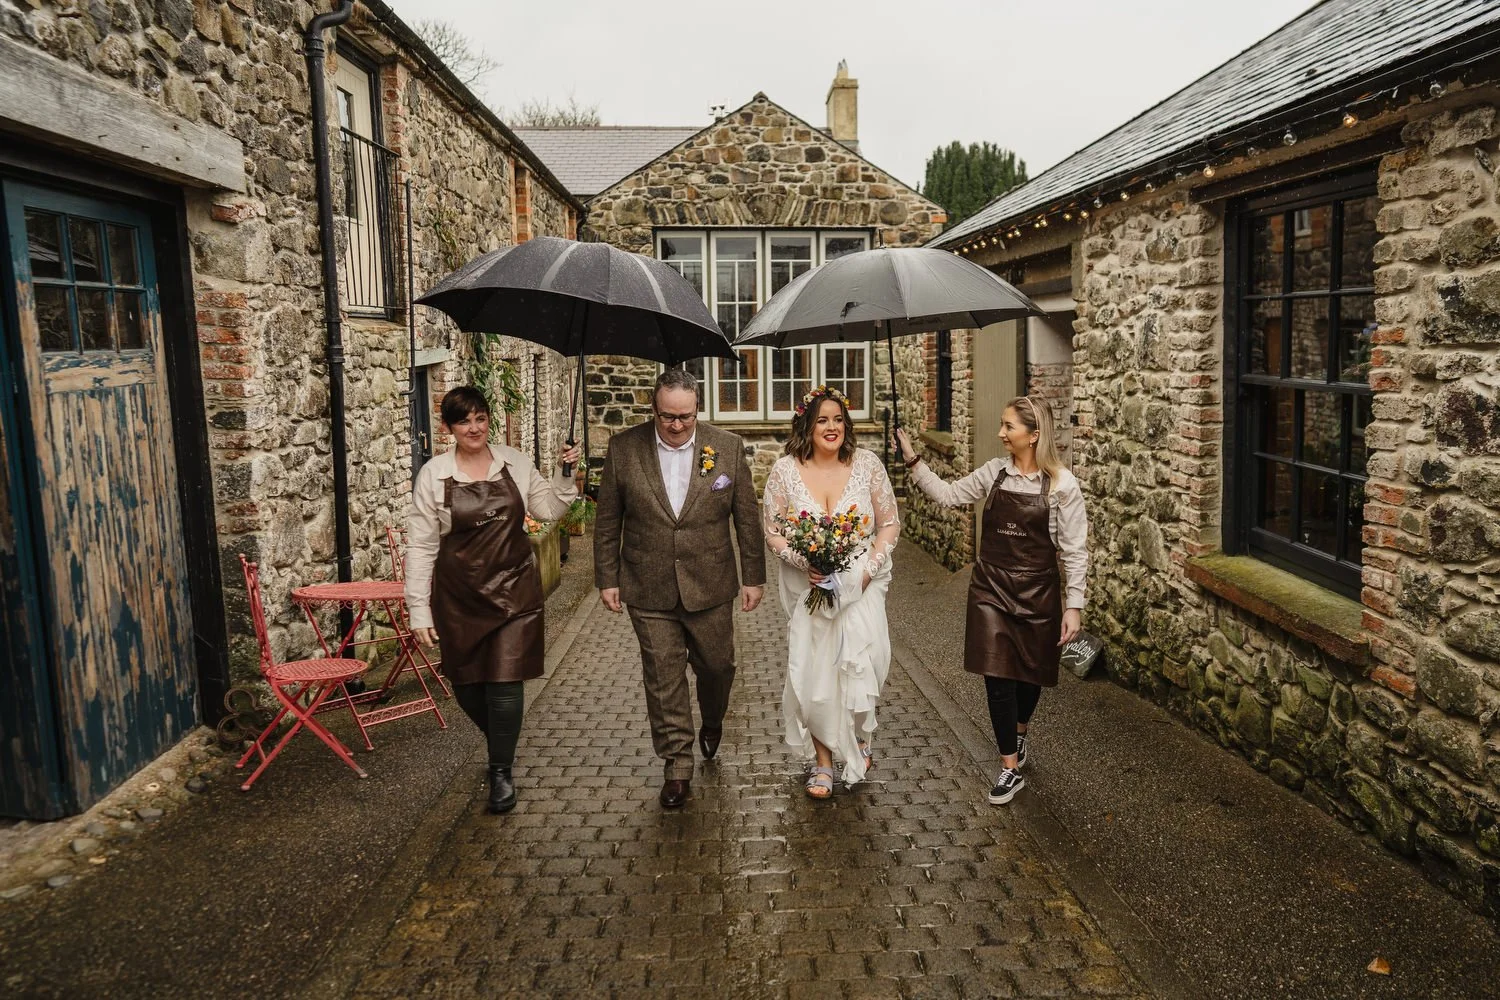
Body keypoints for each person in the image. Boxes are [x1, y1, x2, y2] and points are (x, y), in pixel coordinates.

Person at [895, 395, 1087, 806]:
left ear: (1034, 436)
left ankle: (1018, 734)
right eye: (1002, 425)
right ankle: (1009, 767)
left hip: (1039, 591)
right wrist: (913, 461)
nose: (1000, 434)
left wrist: (1074, 605)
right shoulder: (994, 473)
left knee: (1030, 676)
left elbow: (1074, 551)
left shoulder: (1062, 486)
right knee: (997, 675)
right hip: (991, 588)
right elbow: (948, 496)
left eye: (1008, 427)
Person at [593, 368, 765, 809]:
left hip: (711, 584)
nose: (676, 425)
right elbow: (608, 520)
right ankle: (677, 766)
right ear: (654, 409)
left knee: (718, 667)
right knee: (663, 678)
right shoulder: (623, 449)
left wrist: (754, 576)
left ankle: (712, 718)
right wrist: (607, 578)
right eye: (668, 416)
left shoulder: (725, 448)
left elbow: (746, 517)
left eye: (685, 417)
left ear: (696, 411)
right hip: (647, 585)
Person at [405, 386, 580, 814]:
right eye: (464, 421)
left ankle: (500, 770)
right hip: (459, 595)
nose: (474, 427)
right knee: (466, 686)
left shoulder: (514, 463)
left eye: (481, 418)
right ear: (448, 427)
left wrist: (566, 473)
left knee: (504, 685)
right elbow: (421, 546)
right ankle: (502, 737)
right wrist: (418, 609)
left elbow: (550, 510)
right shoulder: (434, 474)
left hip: (514, 590)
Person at [764, 386, 899, 799]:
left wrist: (867, 570)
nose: (832, 427)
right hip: (812, 589)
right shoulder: (785, 471)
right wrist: (806, 562)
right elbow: (772, 530)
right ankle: (823, 763)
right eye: (822, 419)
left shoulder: (868, 466)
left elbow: (889, 523)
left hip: (861, 586)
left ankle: (858, 738)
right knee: (816, 673)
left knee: (867, 662)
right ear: (807, 424)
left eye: (838, 419)